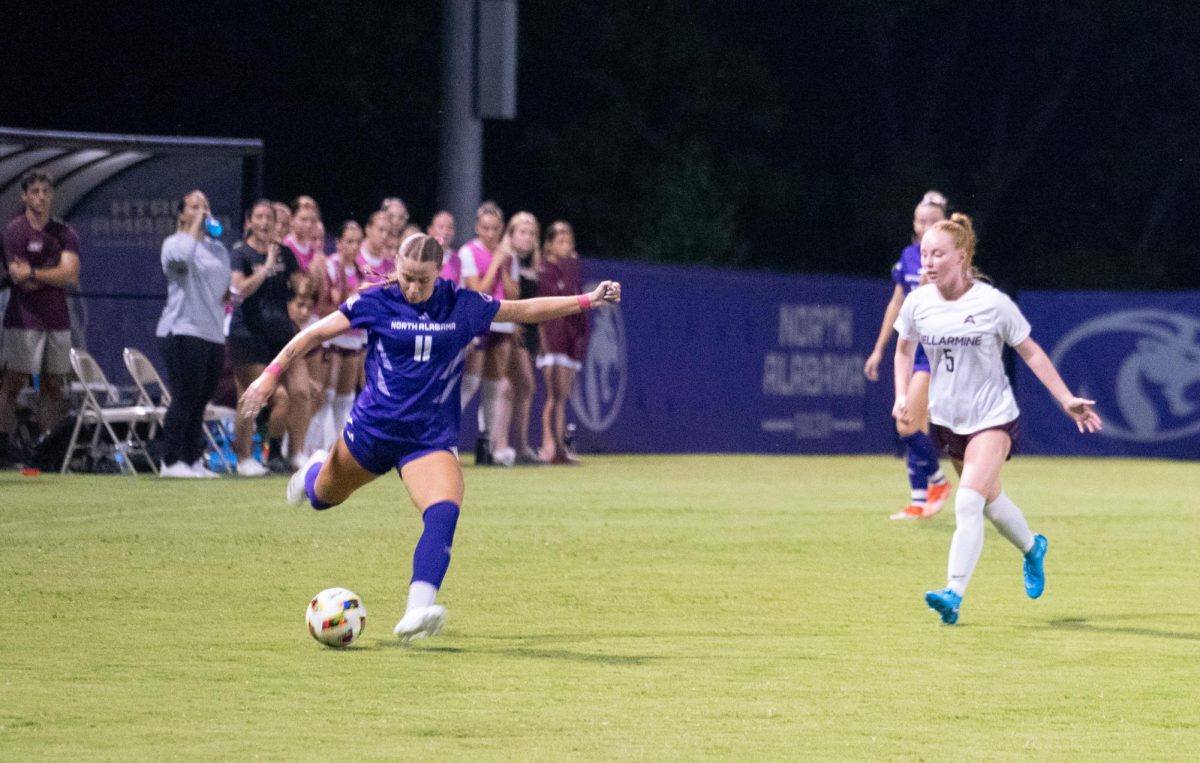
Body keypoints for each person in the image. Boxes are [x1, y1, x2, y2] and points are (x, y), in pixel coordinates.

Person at [237, 233, 621, 641]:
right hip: (372, 430)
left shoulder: (463, 305)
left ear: (440, 272)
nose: (413, 287)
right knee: (322, 499)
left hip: (429, 437)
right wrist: (269, 376)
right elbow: (312, 335)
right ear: (396, 268)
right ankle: (315, 471)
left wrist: (586, 300)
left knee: (444, 509)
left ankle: (416, 612)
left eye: (422, 279)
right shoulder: (376, 301)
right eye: (406, 277)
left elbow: (523, 310)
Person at [893, 213, 1101, 625]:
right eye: (925, 254)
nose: (929, 262)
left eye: (938, 254)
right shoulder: (919, 302)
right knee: (990, 502)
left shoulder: (991, 303)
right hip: (949, 420)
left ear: (963, 256)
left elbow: (1032, 352)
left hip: (993, 418)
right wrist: (901, 395)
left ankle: (953, 593)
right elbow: (903, 350)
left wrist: (1065, 399)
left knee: (968, 501)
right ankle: (1032, 547)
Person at [865, 194, 952, 519]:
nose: (926, 227)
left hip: (939, 350)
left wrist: (936, 284)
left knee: (906, 422)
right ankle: (919, 501)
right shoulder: (908, 256)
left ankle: (939, 483)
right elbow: (896, 303)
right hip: (914, 349)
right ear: (914, 224)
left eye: (933, 221)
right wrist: (878, 348)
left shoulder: (952, 257)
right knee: (915, 426)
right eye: (921, 221)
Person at [0, 170, 81, 467]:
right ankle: (4, 447)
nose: (41, 197)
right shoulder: (15, 231)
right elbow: (18, 280)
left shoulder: (65, 232)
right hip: (24, 320)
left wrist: (35, 273)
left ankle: (48, 450)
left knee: (53, 385)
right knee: (12, 382)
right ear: (24, 196)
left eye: (46, 191)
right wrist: (52, 276)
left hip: (57, 319)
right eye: (34, 191)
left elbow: (70, 274)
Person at [155, 191, 232, 478]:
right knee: (184, 397)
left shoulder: (218, 249)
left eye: (206, 206)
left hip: (212, 332)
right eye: (195, 206)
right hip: (182, 329)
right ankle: (170, 460)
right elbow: (178, 267)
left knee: (201, 400)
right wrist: (192, 229)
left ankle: (192, 458)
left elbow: (224, 288)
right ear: (182, 213)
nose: (202, 210)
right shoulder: (174, 244)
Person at [227, 199, 302, 475]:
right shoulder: (240, 253)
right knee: (250, 398)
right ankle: (244, 458)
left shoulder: (285, 253)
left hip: (277, 338)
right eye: (258, 217)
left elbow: (301, 288)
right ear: (249, 221)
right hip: (246, 335)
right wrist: (266, 267)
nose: (264, 222)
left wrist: (311, 278)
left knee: (285, 398)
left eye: (268, 217)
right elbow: (238, 290)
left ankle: (273, 455)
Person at [457, 202, 513, 464]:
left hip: (502, 322)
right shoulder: (468, 252)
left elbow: (513, 294)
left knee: (494, 386)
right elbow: (479, 289)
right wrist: (495, 264)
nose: (490, 234)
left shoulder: (507, 256)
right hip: (477, 321)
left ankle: (487, 442)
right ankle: (444, 439)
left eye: (494, 228)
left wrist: (504, 264)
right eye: (485, 228)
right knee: (470, 382)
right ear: (477, 228)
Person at [536, 221, 589, 463]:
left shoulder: (572, 268)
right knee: (554, 396)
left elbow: (576, 299)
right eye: (560, 242)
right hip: (552, 338)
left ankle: (560, 450)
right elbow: (543, 308)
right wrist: (545, 342)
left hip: (570, 339)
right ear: (549, 245)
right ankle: (550, 447)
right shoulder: (545, 271)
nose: (566, 246)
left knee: (562, 397)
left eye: (569, 242)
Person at [499, 212, 544, 464]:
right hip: (513, 330)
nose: (527, 238)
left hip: (530, 332)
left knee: (520, 387)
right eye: (522, 232)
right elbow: (507, 295)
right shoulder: (507, 259)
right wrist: (512, 321)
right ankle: (509, 445)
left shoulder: (533, 266)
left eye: (531, 233)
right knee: (518, 384)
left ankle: (514, 445)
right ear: (512, 234)